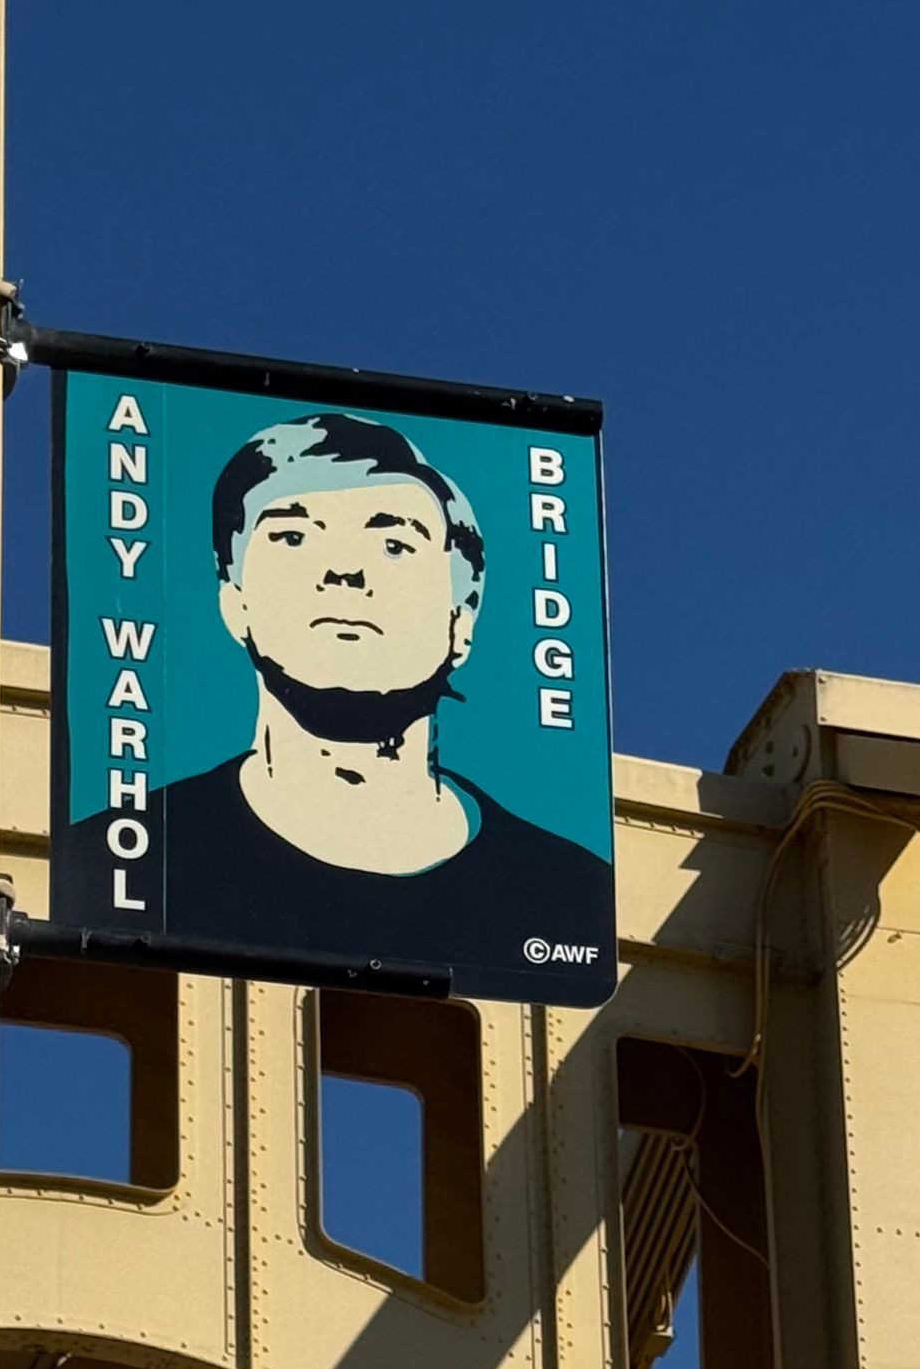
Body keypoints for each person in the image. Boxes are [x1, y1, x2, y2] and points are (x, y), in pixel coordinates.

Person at [57, 410, 608, 987]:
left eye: (394, 544)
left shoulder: (566, 893)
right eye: (293, 538)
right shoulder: (124, 859)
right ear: (234, 601)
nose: (344, 571)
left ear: (461, 618)